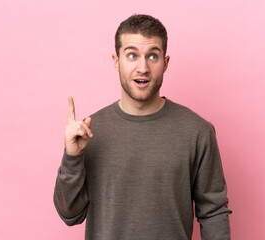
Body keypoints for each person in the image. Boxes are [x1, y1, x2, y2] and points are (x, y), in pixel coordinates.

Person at [54, 14, 232, 240]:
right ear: (116, 61)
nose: (143, 67)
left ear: (165, 63)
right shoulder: (89, 132)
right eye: (132, 55)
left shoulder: (197, 131)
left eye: (153, 56)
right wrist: (72, 157)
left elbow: (214, 212)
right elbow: (70, 214)